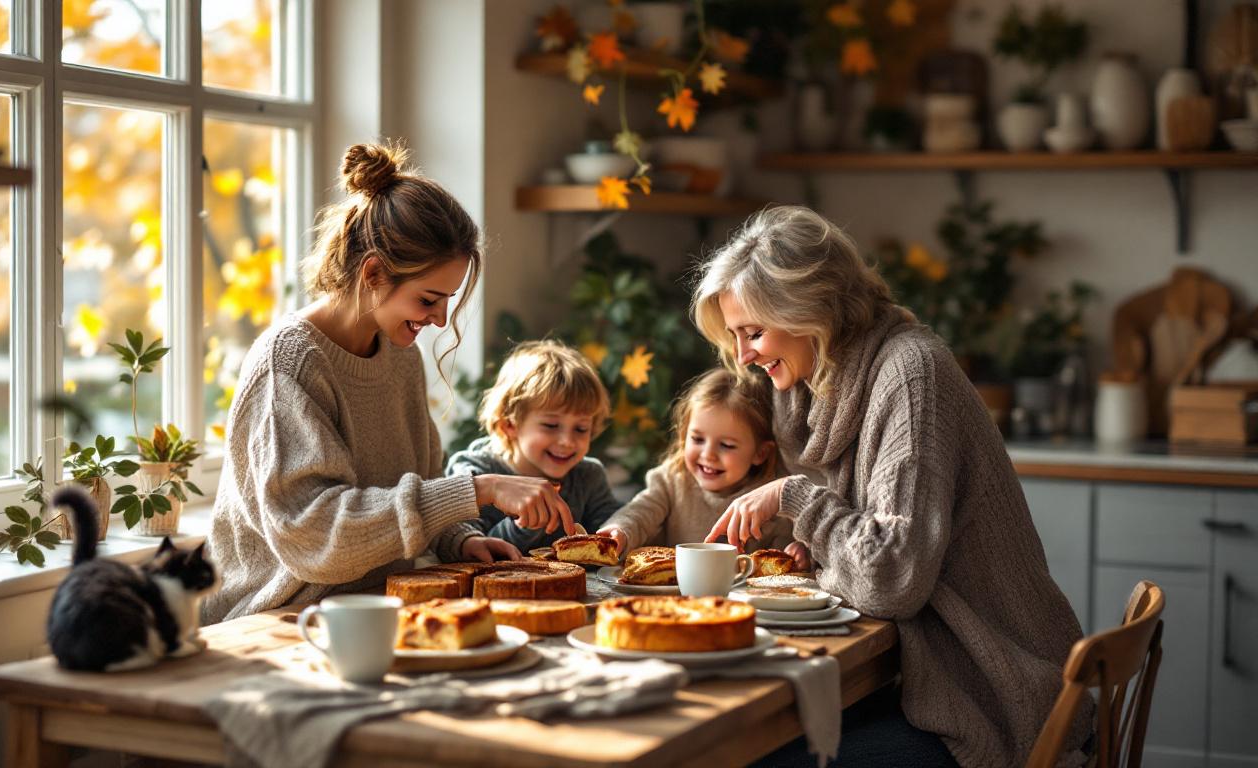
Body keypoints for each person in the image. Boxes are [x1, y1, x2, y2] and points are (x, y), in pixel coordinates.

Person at [693, 206, 1091, 767]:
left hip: (986, 696)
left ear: (813, 309)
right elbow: (872, 537)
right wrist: (824, 546)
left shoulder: (910, 374)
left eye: (754, 333)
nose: (743, 356)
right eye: (735, 336)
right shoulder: (816, 388)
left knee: (752, 756)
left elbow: (892, 580)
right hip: (920, 676)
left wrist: (793, 498)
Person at [202, 142, 574, 624]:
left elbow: (419, 484)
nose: (440, 319)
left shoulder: (399, 357)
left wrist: (460, 539)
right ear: (374, 272)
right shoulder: (289, 365)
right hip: (279, 621)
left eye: (447, 301)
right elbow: (315, 539)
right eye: (428, 300)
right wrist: (478, 490)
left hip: (378, 609)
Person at [597, 368, 802, 562]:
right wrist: (620, 530)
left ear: (760, 453)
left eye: (726, 445)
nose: (708, 455)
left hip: (742, 598)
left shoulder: (768, 501)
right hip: (674, 594)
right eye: (697, 439)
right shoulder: (671, 480)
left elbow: (783, 553)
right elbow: (640, 513)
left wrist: (796, 553)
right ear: (683, 436)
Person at [446, 340, 617, 553]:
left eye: (581, 429)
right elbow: (459, 544)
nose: (567, 441)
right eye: (551, 425)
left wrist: (617, 534)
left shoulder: (589, 476)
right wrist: (524, 526)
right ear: (508, 425)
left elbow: (609, 532)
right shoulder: (474, 473)